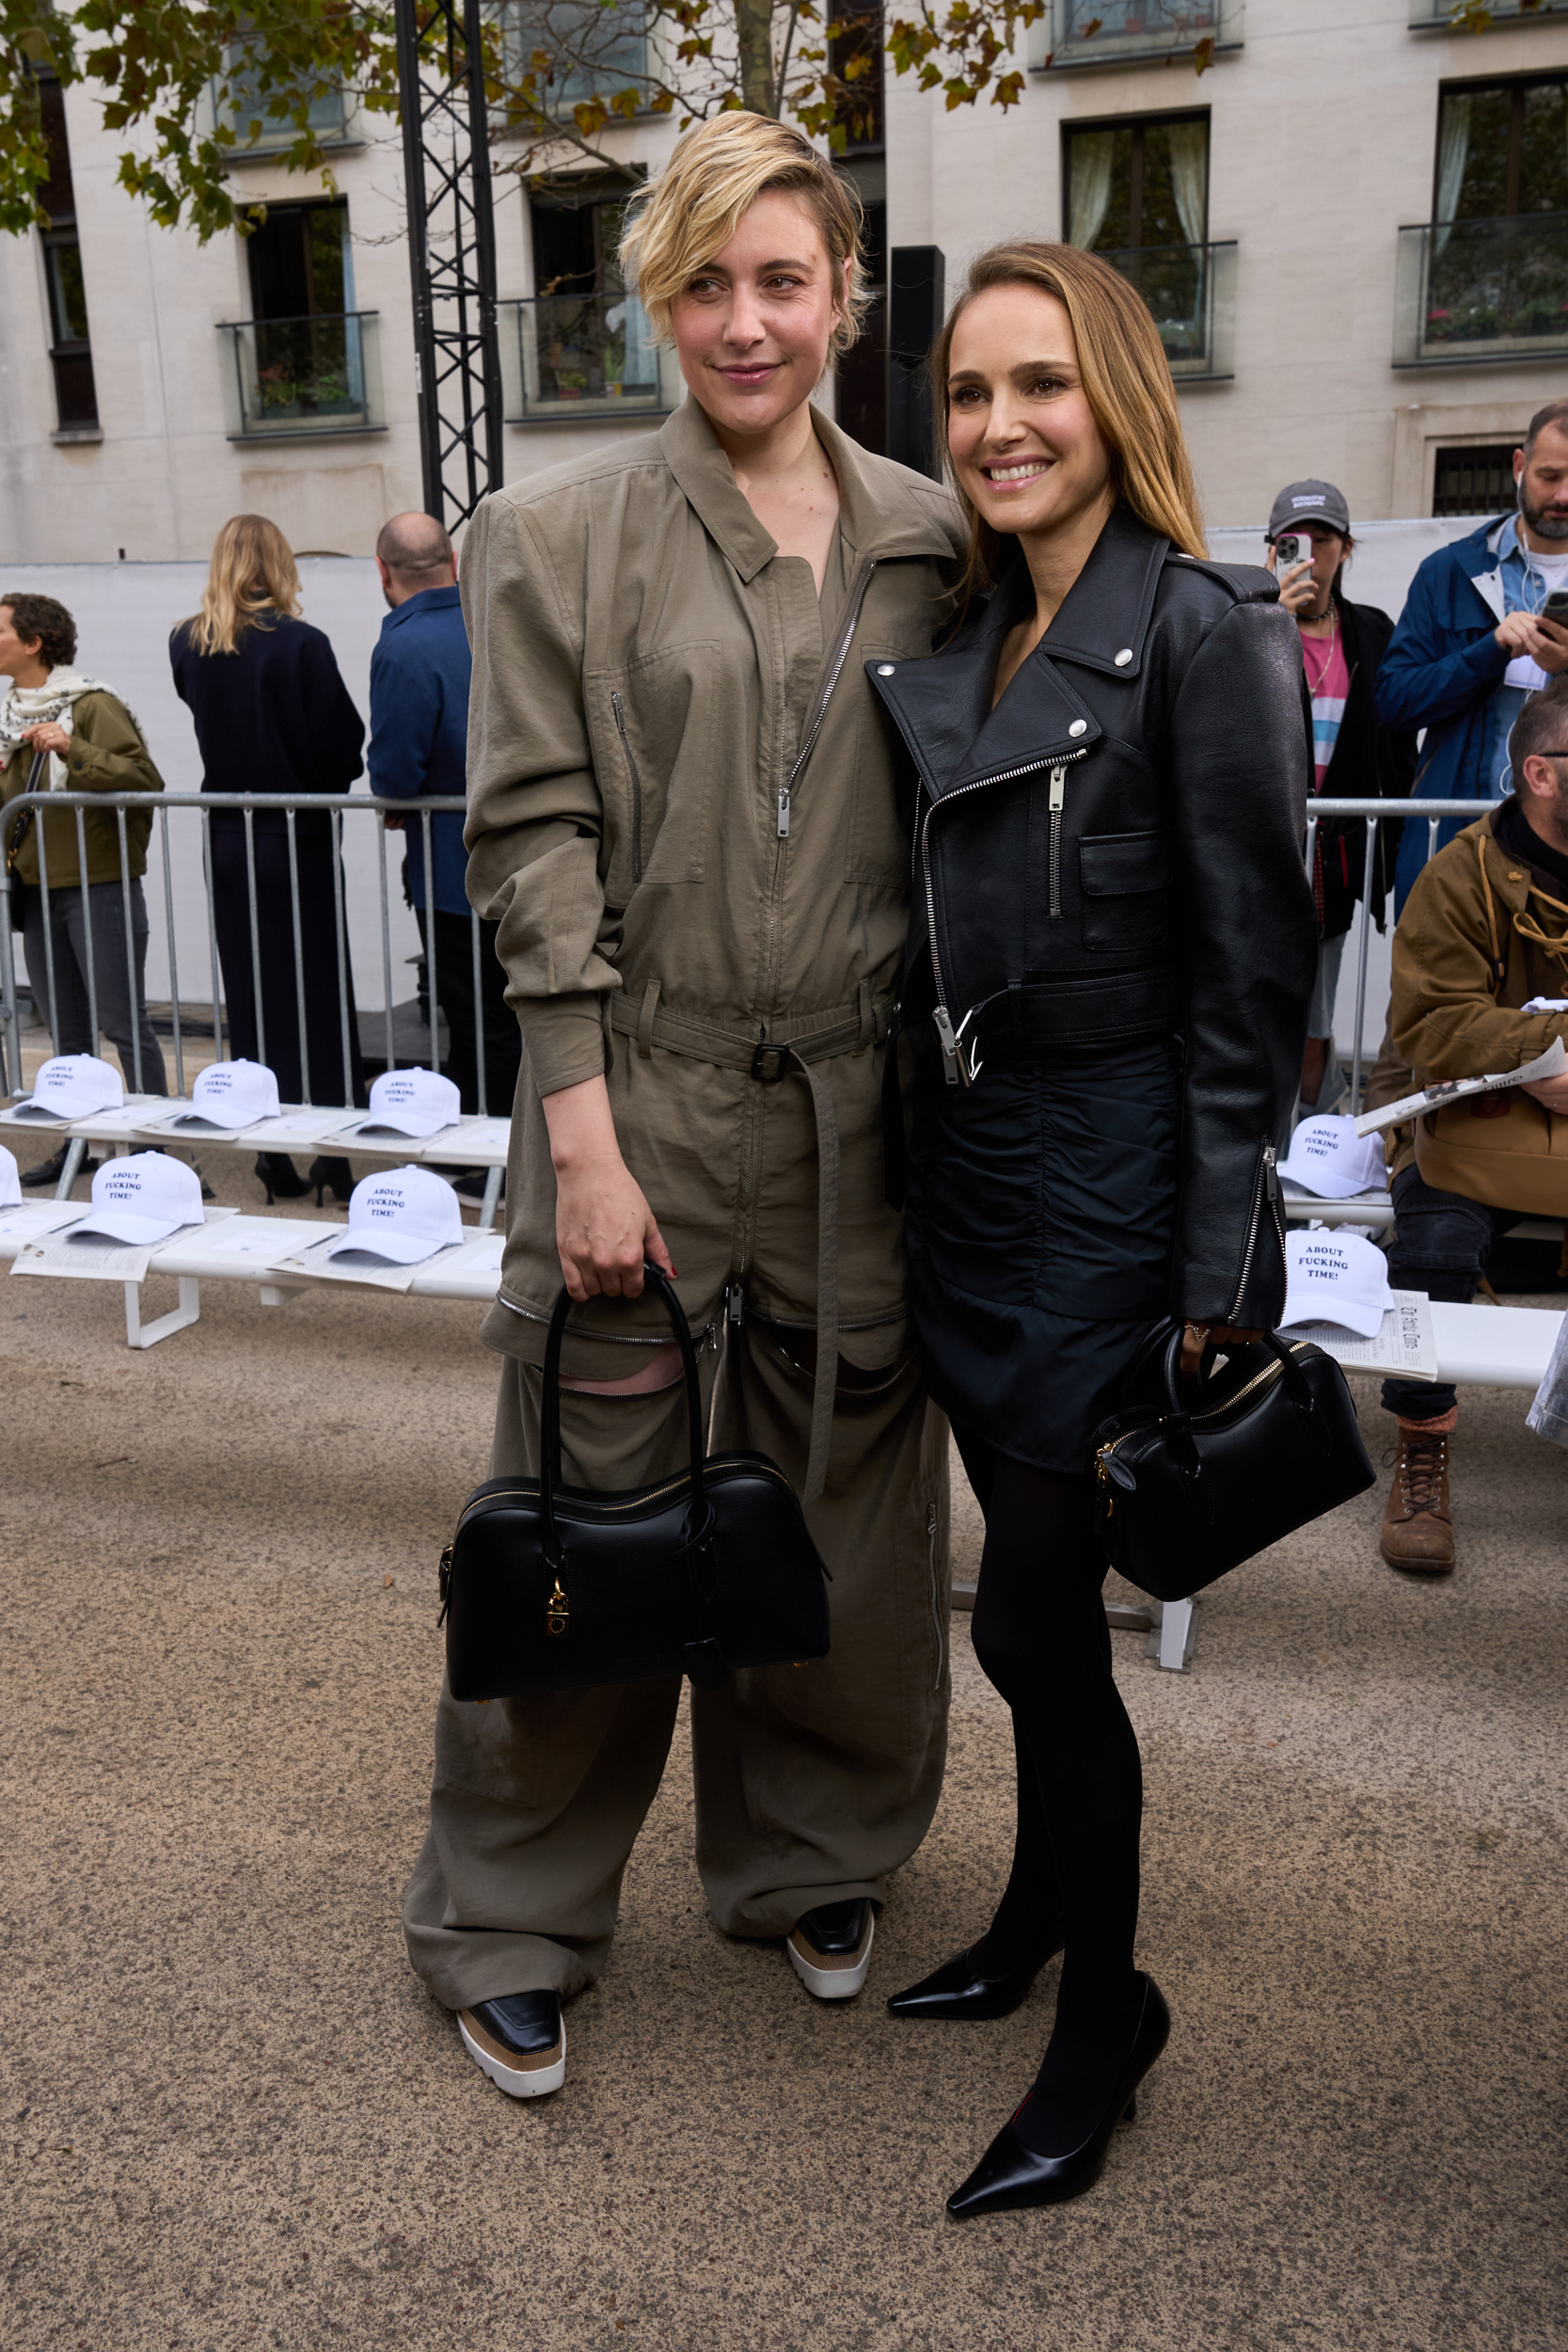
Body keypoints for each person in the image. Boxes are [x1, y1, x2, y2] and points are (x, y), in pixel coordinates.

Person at [402, 112, 965, 2102]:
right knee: (591, 1509)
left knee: (841, 1502)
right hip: (634, 1098)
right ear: (656, 296)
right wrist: (576, 1139)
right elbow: (528, 837)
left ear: (838, 297)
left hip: (856, 1121)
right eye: (706, 281)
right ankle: (512, 1913)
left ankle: (810, 1849)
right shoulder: (551, 537)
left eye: (782, 280)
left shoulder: (928, 533)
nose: (746, 320)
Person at [868, 243, 1315, 2216]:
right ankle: (1041, 1915)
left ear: (1112, 395)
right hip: (966, 1176)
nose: (994, 429)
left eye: (1035, 386)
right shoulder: (965, 630)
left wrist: (1221, 1269)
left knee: (1044, 1619)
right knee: (1025, 1610)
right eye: (965, 395)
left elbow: (1252, 982)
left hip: (1113, 1185)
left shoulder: (1199, 631)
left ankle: (1099, 2018)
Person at [1375, 675, 1568, 1576]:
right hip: (1468, 1128)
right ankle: (1421, 1445)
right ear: (1540, 773)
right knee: (1433, 1242)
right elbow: (1424, 1026)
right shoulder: (1459, 875)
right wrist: (1548, 1059)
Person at [170, 516, 365, 1204]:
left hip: (228, 840)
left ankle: (270, 1151)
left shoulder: (187, 642)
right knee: (319, 996)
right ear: (281, 564)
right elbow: (344, 743)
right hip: (299, 837)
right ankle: (334, 1158)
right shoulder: (302, 644)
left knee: (252, 995)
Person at [367, 511, 521, 1173]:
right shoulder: (498, 622)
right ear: (454, 562)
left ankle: (481, 1161)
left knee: (474, 1016)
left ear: (383, 573)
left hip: (455, 868)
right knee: (527, 1012)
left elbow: (396, 771)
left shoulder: (403, 647)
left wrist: (400, 801)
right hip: (534, 855)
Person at [1, 592, 168, 1191]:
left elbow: (144, 779)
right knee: (66, 1032)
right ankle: (78, 1149)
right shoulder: (8, 718)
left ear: (33, 643)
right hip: (38, 891)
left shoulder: (92, 704)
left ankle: (157, 1153)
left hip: (99, 885)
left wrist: (73, 746)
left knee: (123, 1024)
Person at [1377, 398, 1568, 914]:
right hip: (1455, 849)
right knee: (1436, 993)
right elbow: (1394, 701)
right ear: (1519, 466)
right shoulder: (1448, 570)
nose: (1563, 495)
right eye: (1550, 475)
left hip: (1559, 856)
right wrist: (1491, 650)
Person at [1263, 480, 1416, 1112]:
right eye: (1294, 540)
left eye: (1323, 538)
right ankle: (1257, 1145)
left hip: (1335, 854)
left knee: (1316, 1014)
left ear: (1345, 548)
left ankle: (1308, 1143)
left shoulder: (1372, 634)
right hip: (1258, 846)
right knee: (1252, 1003)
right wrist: (1267, 618)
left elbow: (1397, 741)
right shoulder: (1244, 622)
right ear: (1272, 551)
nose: (1311, 552)